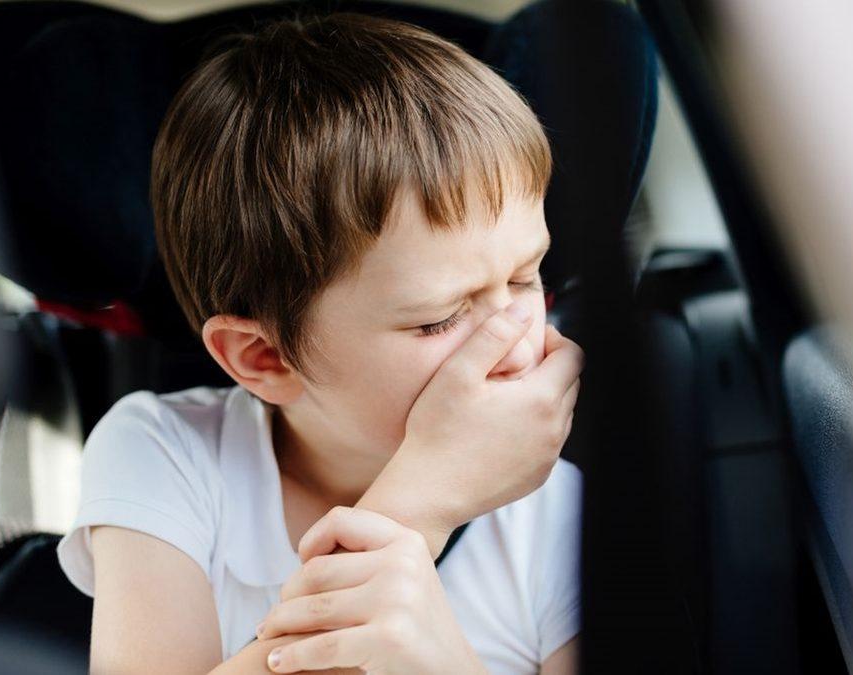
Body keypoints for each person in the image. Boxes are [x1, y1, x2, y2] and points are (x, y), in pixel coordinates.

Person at [55, 13, 584, 674]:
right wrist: (418, 507)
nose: (515, 336)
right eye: (439, 318)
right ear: (264, 357)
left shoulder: (558, 518)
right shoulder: (165, 455)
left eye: (524, 276)